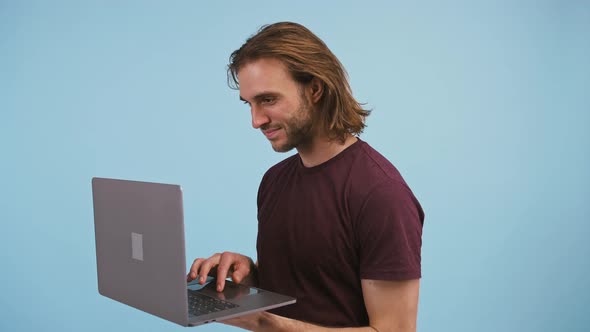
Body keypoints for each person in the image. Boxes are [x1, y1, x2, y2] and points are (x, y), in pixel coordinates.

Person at [187, 22, 424, 332]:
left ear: (315, 89)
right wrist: (251, 277)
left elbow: (394, 331)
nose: (256, 120)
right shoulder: (274, 181)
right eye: (250, 104)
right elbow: (312, 294)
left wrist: (263, 322)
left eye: (268, 100)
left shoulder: (381, 194)